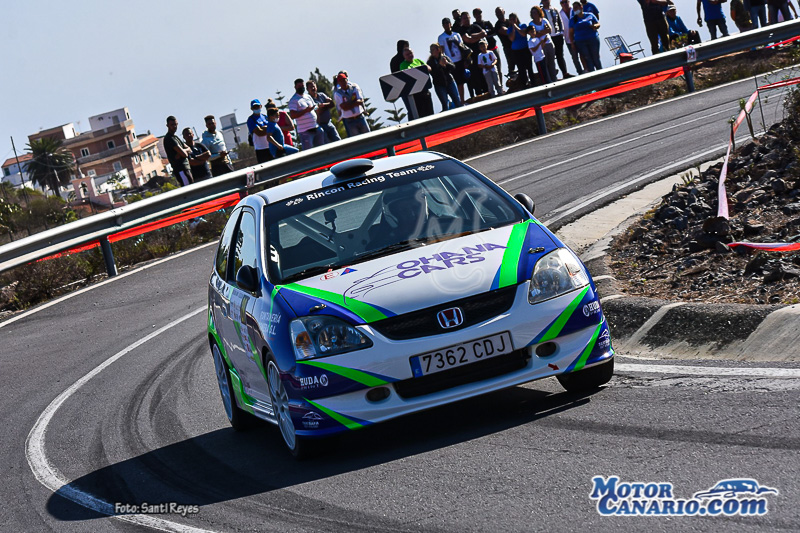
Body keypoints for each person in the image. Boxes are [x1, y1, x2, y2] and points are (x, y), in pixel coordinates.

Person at [288, 78, 325, 150]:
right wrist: (305, 111)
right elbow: (293, 115)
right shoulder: (293, 100)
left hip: (316, 128)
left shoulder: (308, 96)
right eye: (299, 86)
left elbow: (315, 108)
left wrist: (318, 121)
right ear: (295, 87)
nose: (301, 87)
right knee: (309, 151)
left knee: (322, 149)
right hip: (305, 131)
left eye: (302, 86)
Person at [439, 17, 469, 104]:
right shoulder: (441, 37)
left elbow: (462, 47)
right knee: (455, 82)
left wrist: (465, 59)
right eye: (444, 23)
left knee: (462, 81)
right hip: (451, 61)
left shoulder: (456, 34)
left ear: (450, 24)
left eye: (447, 23)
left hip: (460, 60)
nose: (446, 25)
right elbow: (442, 50)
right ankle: (458, 101)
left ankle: (463, 100)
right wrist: (443, 59)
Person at [399, 48, 435, 118]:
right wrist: (420, 70)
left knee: (430, 111)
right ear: (404, 56)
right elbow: (408, 74)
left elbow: (429, 68)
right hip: (416, 92)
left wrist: (421, 70)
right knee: (421, 113)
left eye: (411, 53)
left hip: (425, 89)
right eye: (407, 54)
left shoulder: (418, 60)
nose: (410, 55)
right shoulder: (403, 64)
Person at [460, 11, 489, 96]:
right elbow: (468, 40)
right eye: (464, 18)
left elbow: (484, 33)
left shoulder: (475, 26)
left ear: (470, 17)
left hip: (481, 55)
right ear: (462, 20)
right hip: (471, 58)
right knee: (475, 77)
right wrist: (479, 36)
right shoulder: (462, 30)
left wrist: (474, 36)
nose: (466, 19)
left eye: (467, 17)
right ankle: (479, 95)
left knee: (484, 74)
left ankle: (487, 92)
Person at [333, 71, 371, 137]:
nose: (343, 82)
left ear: (347, 79)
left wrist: (348, 104)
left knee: (368, 136)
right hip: (349, 120)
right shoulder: (337, 93)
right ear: (338, 82)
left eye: (344, 80)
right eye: (341, 81)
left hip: (360, 116)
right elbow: (343, 107)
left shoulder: (354, 87)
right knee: (356, 139)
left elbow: (360, 101)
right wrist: (355, 103)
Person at [428, 43, 463, 110]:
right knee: (445, 104)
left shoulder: (445, 57)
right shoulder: (430, 62)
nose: (431, 52)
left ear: (438, 50)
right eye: (430, 50)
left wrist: (447, 63)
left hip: (450, 82)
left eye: (433, 50)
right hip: (439, 85)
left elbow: (453, 67)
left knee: (457, 100)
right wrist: (440, 65)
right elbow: (433, 73)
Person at [570, 1, 602, 72]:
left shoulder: (589, 15)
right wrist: (572, 43)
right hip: (580, 41)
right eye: (574, 8)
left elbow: (598, 23)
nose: (575, 9)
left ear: (581, 7)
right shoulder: (573, 19)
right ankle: (593, 74)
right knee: (587, 59)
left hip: (592, 39)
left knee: (596, 57)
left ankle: (601, 73)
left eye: (576, 7)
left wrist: (595, 26)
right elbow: (571, 32)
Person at [542, 0, 571, 78]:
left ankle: (565, 73)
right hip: (548, 37)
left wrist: (561, 32)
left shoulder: (555, 10)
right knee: (550, 57)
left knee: (560, 55)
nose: (546, 2)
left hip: (557, 35)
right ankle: (553, 76)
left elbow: (560, 21)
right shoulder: (541, 12)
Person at [473, 8, 503, 84]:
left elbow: (494, 32)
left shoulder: (487, 23)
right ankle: (490, 87)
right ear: (474, 15)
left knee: (498, 68)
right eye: (476, 14)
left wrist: (485, 35)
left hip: (493, 49)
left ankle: (500, 85)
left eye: (479, 13)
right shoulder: (474, 26)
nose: (478, 15)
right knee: (487, 72)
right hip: (483, 52)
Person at [530, 6, 557, 83]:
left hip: (549, 43)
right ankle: (548, 80)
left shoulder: (544, 20)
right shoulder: (531, 23)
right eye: (533, 13)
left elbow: (549, 30)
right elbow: (535, 35)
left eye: (535, 12)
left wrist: (540, 32)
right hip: (541, 45)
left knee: (551, 62)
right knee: (545, 63)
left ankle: (554, 79)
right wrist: (544, 31)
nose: (534, 14)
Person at [163, 116, 193, 186]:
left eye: (175, 124)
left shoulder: (175, 137)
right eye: (172, 125)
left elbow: (189, 148)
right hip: (180, 169)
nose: (174, 126)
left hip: (186, 168)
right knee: (188, 188)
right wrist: (182, 152)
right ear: (167, 125)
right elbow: (185, 154)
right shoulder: (169, 138)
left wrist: (181, 152)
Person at [507, 13, 535, 88]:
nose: (513, 21)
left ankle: (533, 82)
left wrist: (516, 26)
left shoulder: (523, 25)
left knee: (529, 66)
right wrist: (513, 28)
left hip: (525, 49)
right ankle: (524, 84)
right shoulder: (509, 29)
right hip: (516, 51)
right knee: (521, 68)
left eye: (514, 19)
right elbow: (512, 38)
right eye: (511, 19)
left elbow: (523, 34)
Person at [560, 0, 584, 74]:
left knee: (583, 55)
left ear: (569, 2)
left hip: (579, 37)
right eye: (562, 2)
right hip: (568, 39)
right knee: (574, 57)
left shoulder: (574, 10)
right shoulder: (559, 14)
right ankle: (580, 72)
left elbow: (582, 17)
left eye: (565, 1)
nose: (564, 4)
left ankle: (588, 70)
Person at [246, 99, 273, 164]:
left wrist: (263, 128)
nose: (256, 108)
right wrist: (268, 128)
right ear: (251, 108)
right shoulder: (251, 119)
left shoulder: (265, 117)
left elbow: (273, 127)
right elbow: (259, 133)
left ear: (261, 106)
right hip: (261, 148)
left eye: (257, 106)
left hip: (271, 145)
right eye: (254, 107)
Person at [495, 7, 516, 77]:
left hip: (516, 45)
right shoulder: (498, 25)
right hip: (508, 48)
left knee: (521, 63)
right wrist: (514, 29)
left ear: (504, 12)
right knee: (511, 66)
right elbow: (505, 31)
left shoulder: (508, 21)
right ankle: (512, 79)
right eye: (497, 13)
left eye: (500, 12)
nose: (499, 14)